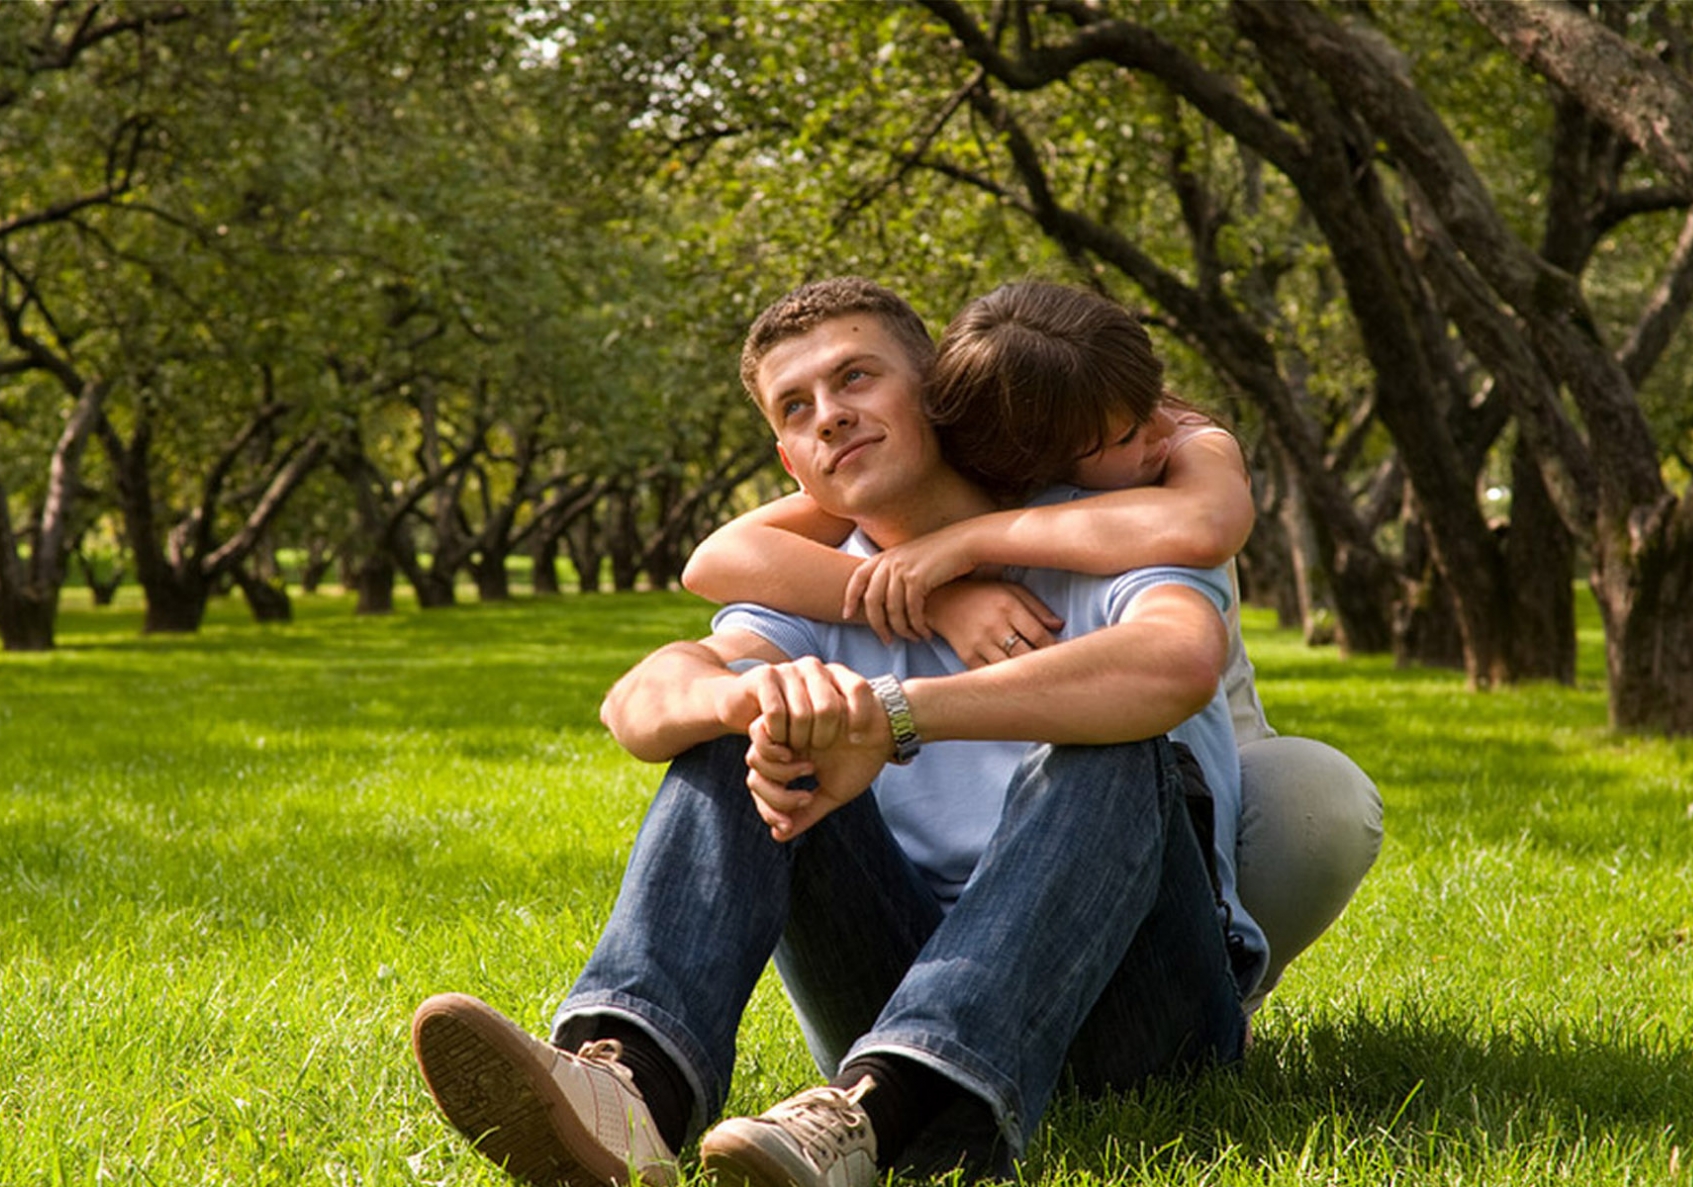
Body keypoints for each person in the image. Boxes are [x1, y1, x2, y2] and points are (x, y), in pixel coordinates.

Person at [412, 277, 1262, 1187]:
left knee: (1122, 742)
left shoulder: (1091, 530)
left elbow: (1173, 663)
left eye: (856, 377)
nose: (830, 415)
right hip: (888, 988)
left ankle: (884, 1110)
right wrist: (753, 701)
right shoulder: (818, 583)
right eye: (797, 406)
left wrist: (889, 717)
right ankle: (635, 1091)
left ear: (938, 392)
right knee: (740, 712)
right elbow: (641, 699)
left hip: (1143, 1010)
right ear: (789, 460)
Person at [681, 280, 1382, 1011]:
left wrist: (965, 545)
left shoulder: (1180, 445)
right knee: (739, 729)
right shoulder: (964, 454)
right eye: (1114, 439)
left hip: (1184, 761)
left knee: (1268, 778)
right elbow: (713, 559)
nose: (1153, 441)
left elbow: (1205, 528)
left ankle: (1219, 987)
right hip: (922, 939)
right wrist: (941, 597)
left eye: (855, 376)